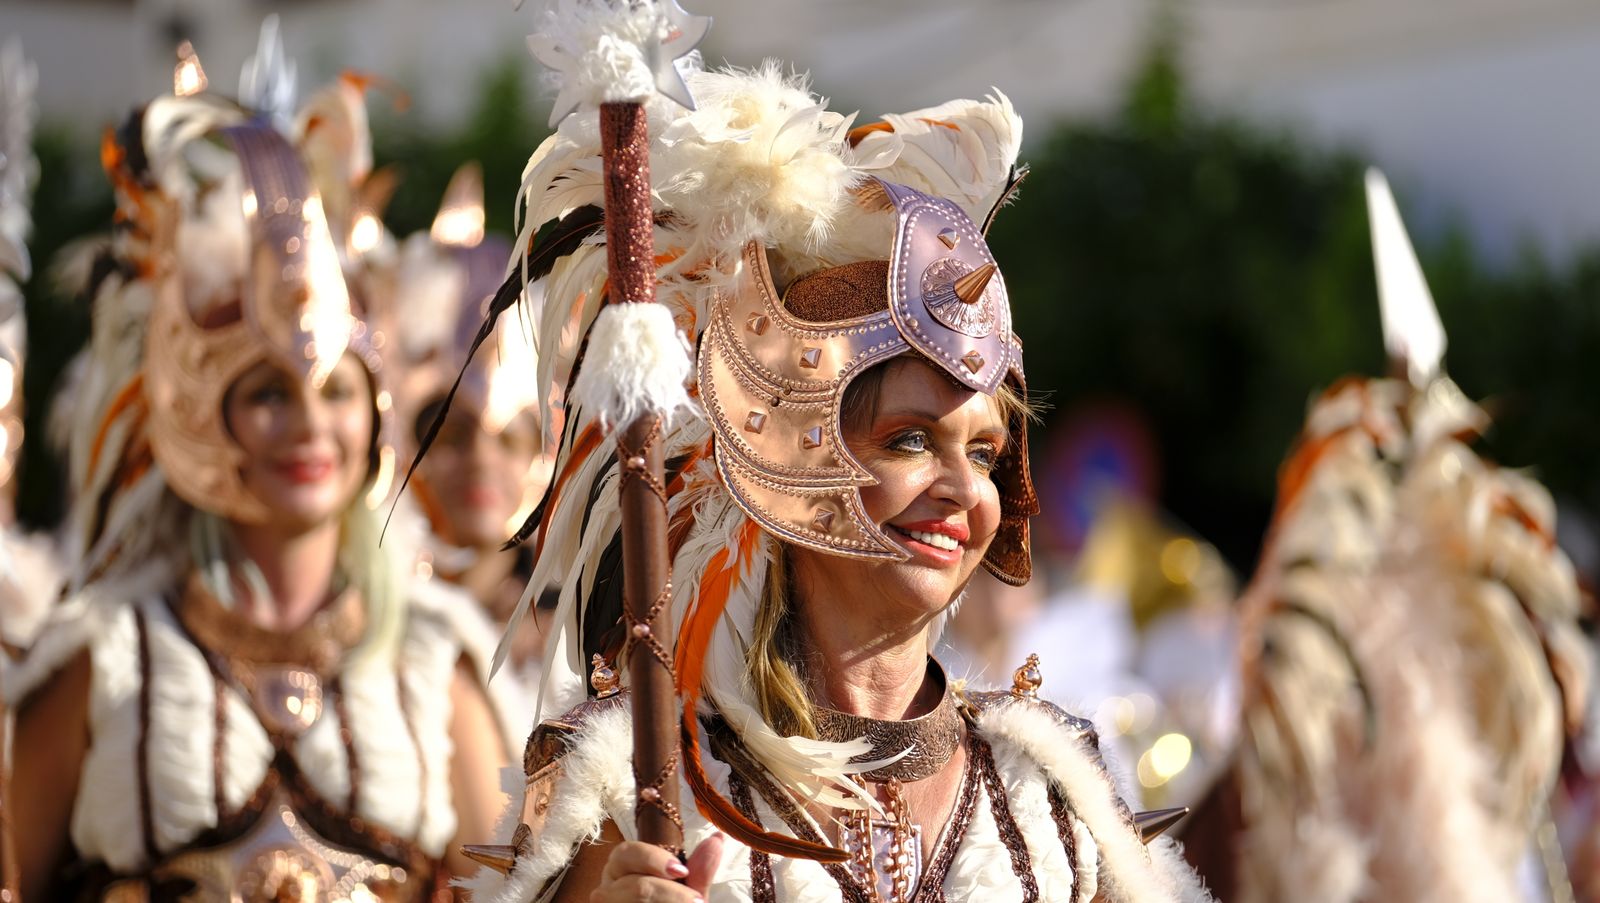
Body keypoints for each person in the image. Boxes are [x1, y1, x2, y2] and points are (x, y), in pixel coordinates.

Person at [460, 59, 1210, 903]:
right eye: (912, 440)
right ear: (791, 459)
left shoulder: (1049, 794)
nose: (963, 489)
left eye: (986, 453)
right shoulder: (641, 783)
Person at [2, 46, 512, 901]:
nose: (310, 425)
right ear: (209, 413)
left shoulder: (437, 657)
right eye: (271, 392)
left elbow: (514, 886)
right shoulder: (105, 656)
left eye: (337, 392)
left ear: (374, 418)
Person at [387, 163, 559, 688]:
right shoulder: (364, 618)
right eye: (454, 435)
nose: (482, 460)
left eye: (509, 440)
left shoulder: (574, 646)